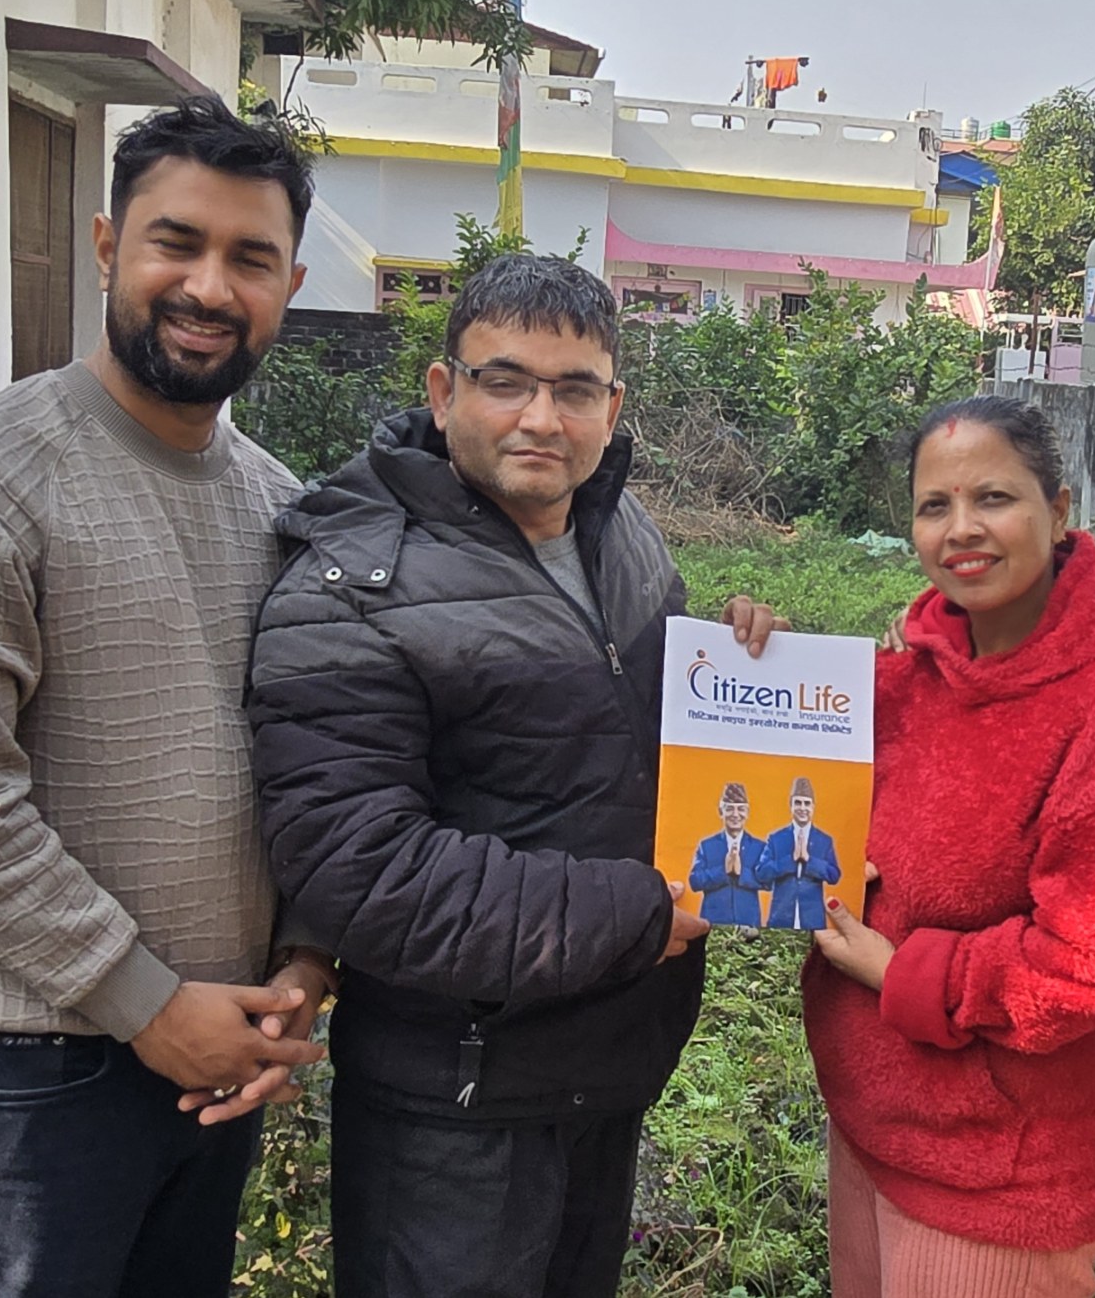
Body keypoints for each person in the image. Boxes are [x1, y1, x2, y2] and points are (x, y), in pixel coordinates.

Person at [244, 253, 782, 1298]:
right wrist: (635, 914)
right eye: (506, 382)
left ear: (612, 408)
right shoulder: (351, 590)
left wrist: (744, 672)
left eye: (575, 389)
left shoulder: (619, 531)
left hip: (609, 1064)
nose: (542, 418)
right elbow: (362, 872)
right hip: (455, 1108)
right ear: (445, 391)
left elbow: (641, 732)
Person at [0, 95, 332, 1298]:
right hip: (28, 1086)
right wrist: (145, 1003)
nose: (209, 287)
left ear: (290, 285)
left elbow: (322, 755)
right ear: (104, 247)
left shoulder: (282, 507)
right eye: (175, 243)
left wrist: (305, 964)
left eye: (250, 259)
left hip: (219, 1062)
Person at [803, 395, 1095, 1298]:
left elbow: (1092, 964)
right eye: (934, 506)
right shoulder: (911, 682)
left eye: (993, 498)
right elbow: (793, 793)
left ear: (1058, 512)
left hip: (1002, 1176)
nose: (961, 530)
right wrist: (767, 665)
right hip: (873, 1129)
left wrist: (902, 973)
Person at [758, 775, 841, 929]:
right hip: (780, 918)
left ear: (813, 807)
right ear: (790, 805)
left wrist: (809, 860)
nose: (802, 808)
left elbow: (834, 875)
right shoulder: (776, 838)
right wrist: (790, 860)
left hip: (813, 920)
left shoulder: (824, 840)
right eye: (798, 803)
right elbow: (762, 873)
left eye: (807, 803)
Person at [689, 782, 766, 925]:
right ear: (721, 811)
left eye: (741, 809)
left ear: (747, 813)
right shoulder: (707, 845)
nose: (735, 815)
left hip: (748, 922)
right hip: (713, 923)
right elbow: (695, 881)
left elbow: (769, 882)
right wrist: (723, 871)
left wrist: (741, 873)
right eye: (729, 809)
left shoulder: (759, 847)